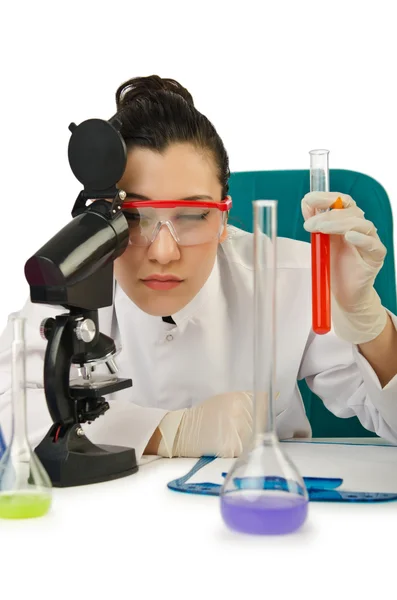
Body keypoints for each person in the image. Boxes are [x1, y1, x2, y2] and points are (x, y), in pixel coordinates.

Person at [1, 75, 397, 462]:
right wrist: (170, 431)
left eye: (193, 214)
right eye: (135, 217)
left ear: (225, 217)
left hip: (257, 512)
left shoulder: (289, 277)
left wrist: (371, 323)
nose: (163, 251)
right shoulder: (75, 275)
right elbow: (10, 405)